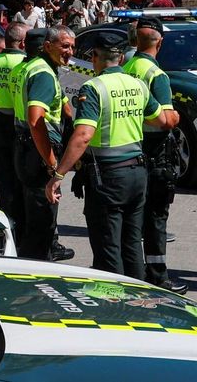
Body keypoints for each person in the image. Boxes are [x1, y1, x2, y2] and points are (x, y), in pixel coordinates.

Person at [49, 35, 169, 277]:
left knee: (108, 248)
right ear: (122, 58)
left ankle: (114, 306)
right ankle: (138, 300)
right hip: (137, 174)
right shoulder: (139, 85)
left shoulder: (93, 88)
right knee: (132, 243)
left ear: (94, 58)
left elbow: (83, 135)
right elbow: (161, 119)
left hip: (108, 178)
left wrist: (58, 174)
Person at [122, 19, 186, 292]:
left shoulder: (127, 67)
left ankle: (132, 269)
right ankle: (158, 275)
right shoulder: (156, 74)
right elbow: (167, 120)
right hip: (155, 150)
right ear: (159, 43)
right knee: (157, 215)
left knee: (135, 213)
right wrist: (177, 115)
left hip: (131, 146)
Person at [12, 25, 76, 262]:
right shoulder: (43, 73)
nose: (69, 51)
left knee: (33, 221)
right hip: (38, 152)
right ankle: (37, 280)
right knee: (42, 224)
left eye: (72, 47)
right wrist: (51, 163)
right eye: (65, 46)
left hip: (24, 147)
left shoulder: (30, 67)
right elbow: (36, 119)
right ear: (48, 46)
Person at [0, 25, 27, 232]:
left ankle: (9, 225)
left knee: (4, 178)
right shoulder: (25, 63)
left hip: (0, 122)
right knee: (23, 178)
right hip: (20, 122)